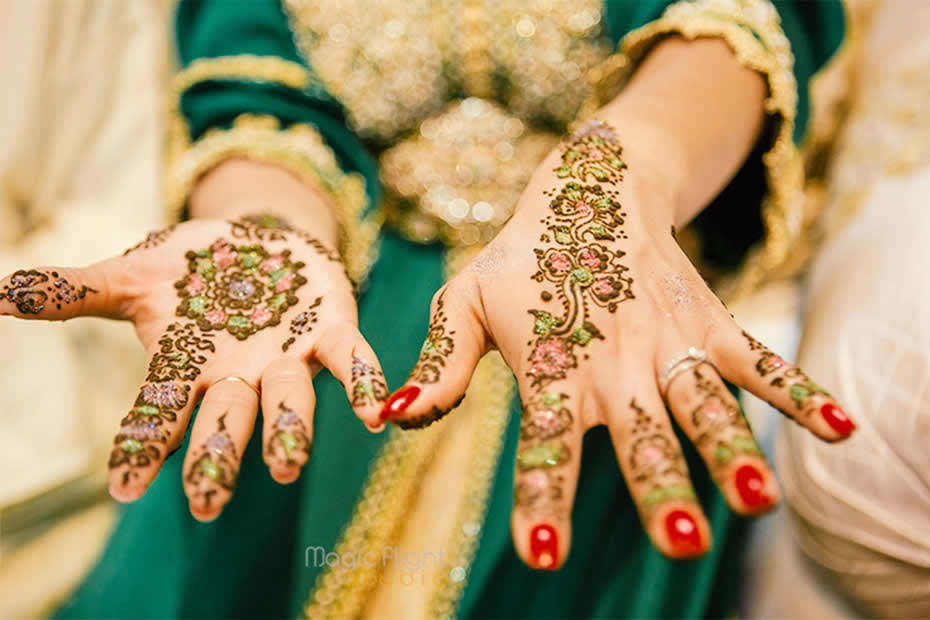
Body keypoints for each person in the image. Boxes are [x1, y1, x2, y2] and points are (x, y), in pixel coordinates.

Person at [0, 0, 847, 617]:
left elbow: (733, 29)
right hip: (332, 336)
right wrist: (262, 243)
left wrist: (617, 182)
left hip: (594, 311)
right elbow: (256, 104)